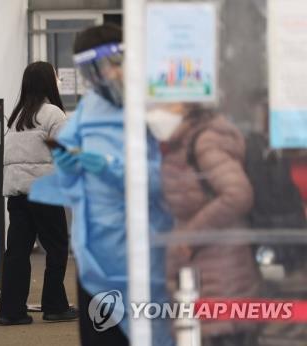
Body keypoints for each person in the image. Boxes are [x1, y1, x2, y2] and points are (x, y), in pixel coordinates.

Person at [30, 24, 174, 346]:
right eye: (90, 70)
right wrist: (68, 169)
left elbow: (173, 181)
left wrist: (113, 169)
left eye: (109, 64)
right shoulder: (90, 107)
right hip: (96, 259)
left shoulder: (157, 107)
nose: (102, 76)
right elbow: (69, 172)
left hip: (146, 255)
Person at [147, 103, 260, 346]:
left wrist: (190, 236)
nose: (155, 109)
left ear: (187, 105)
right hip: (202, 267)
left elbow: (237, 194)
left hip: (219, 268)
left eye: (165, 102)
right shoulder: (179, 142)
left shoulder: (205, 140)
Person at [0, 61, 77, 325]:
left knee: (17, 252)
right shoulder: (53, 114)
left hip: (18, 194)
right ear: (49, 82)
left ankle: (10, 311)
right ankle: (54, 306)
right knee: (56, 248)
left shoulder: (16, 117)